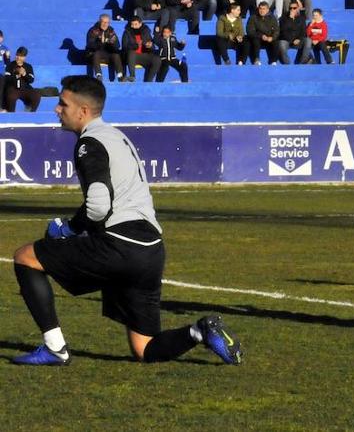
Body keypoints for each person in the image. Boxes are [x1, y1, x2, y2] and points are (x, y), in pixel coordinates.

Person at [8, 75, 241, 366]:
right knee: (145, 348)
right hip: (151, 248)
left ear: (82, 111)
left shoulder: (88, 144)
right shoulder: (117, 136)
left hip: (119, 245)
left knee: (26, 257)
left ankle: (55, 348)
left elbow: (97, 206)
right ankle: (199, 331)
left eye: (62, 103)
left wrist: (68, 228)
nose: (57, 109)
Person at [86, 14, 124, 82]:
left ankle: (120, 76)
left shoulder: (111, 31)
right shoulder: (93, 31)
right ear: (99, 21)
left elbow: (117, 45)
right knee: (96, 53)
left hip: (107, 54)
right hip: (94, 55)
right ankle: (98, 75)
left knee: (116, 55)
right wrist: (100, 42)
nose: (105, 24)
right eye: (103, 22)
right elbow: (90, 44)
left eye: (107, 22)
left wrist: (110, 42)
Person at [121, 15, 157, 83]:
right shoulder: (127, 32)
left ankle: (149, 81)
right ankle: (132, 76)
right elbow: (124, 46)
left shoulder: (146, 32)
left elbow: (152, 45)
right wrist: (136, 46)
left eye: (136, 24)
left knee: (157, 59)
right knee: (131, 53)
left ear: (140, 24)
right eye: (132, 24)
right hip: (131, 57)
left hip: (143, 55)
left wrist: (150, 46)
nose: (134, 26)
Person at [4, 47, 41, 112]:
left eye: (21, 56)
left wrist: (24, 74)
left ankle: (30, 113)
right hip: (13, 88)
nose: (18, 57)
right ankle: (11, 115)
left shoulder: (28, 66)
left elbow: (31, 80)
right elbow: (7, 79)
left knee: (36, 95)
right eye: (17, 55)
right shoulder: (10, 65)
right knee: (11, 96)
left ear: (24, 57)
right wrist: (16, 76)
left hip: (25, 88)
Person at [247, 0, 280, 65]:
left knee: (276, 41)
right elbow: (250, 31)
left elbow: (276, 30)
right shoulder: (253, 17)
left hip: (269, 39)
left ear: (267, 10)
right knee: (255, 40)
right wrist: (261, 36)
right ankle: (257, 59)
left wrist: (272, 37)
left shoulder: (272, 18)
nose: (262, 11)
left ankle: (274, 61)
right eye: (260, 8)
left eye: (264, 9)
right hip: (258, 38)